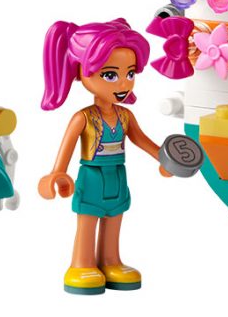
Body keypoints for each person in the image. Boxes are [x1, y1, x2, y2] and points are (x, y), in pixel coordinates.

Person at [38, 18, 170, 295]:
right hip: (91, 176)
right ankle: (81, 264)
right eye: (110, 75)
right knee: (88, 221)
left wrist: (164, 158)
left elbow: (141, 139)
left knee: (114, 219)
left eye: (130, 73)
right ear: (80, 71)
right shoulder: (83, 118)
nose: (123, 83)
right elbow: (66, 148)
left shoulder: (125, 116)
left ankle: (110, 261)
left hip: (118, 175)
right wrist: (57, 173)